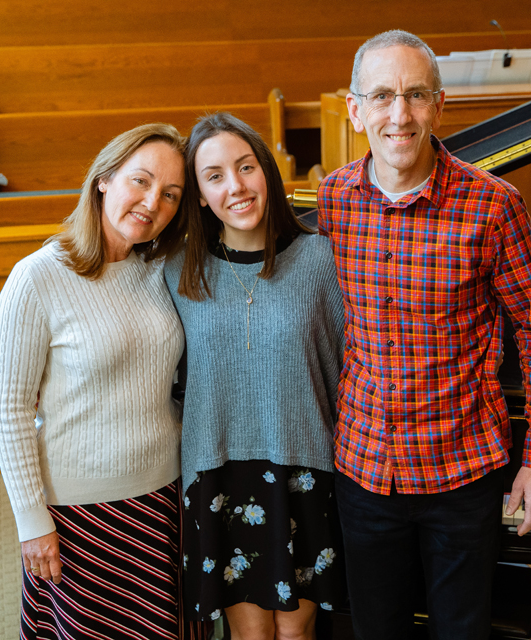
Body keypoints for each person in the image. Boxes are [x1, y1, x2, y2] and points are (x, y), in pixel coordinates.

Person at [316, 30, 531, 639]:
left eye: (415, 95)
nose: (399, 115)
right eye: (381, 96)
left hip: (461, 472)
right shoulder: (334, 201)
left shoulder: (494, 206)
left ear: (439, 106)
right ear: (355, 110)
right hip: (364, 470)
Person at [0, 123, 201, 640]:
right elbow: (10, 411)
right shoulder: (37, 277)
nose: (152, 202)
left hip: (163, 498)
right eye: (141, 181)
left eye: (170, 194)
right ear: (104, 179)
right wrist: (31, 521)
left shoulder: (160, 270)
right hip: (80, 511)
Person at [164, 112, 346, 640]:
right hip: (218, 471)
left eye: (246, 167)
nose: (236, 186)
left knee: (296, 633)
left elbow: (350, 371)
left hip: (305, 468)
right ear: (200, 195)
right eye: (215, 176)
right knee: (250, 636)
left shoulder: (320, 259)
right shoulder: (177, 270)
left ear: (267, 171)